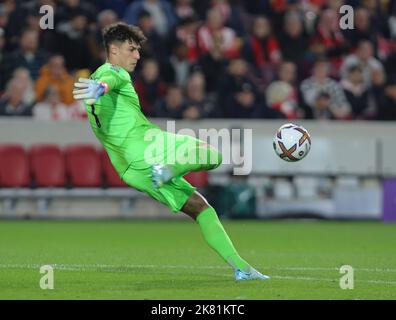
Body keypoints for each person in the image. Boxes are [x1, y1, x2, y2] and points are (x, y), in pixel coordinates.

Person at [72, 22, 268, 281]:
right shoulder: (113, 73)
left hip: (130, 169)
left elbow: (104, 86)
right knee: (214, 155)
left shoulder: (96, 79)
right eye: (131, 49)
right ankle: (168, 170)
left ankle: (242, 268)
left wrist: (100, 88)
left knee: (200, 207)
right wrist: (103, 87)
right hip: (147, 146)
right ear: (114, 49)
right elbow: (111, 79)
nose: (137, 56)